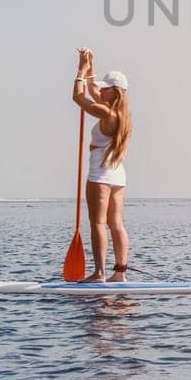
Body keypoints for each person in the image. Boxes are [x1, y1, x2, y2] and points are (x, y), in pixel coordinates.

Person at [71, 48, 133, 283]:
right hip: (118, 175)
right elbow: (94, 92)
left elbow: (78, 97)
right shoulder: (123, 114)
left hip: (100, 173)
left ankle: (99, 273)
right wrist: (90, 66)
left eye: (105, 88)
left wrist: (80, 70)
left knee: (97, 222)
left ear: (113, 93)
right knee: (116, 223)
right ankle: (120, 273)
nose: (100, 90)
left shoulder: (106, 113)